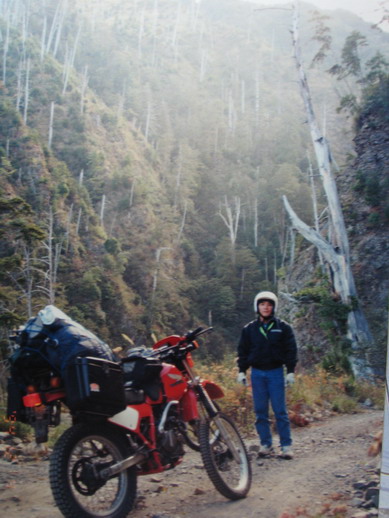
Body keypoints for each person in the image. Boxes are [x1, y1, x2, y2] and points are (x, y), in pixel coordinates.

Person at [236, 291, 298, 460]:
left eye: (269, 304)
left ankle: (286, 446)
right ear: (257, 307)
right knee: (260, 411)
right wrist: (241, 370)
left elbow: (290, 350)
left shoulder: (283, 327)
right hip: (257, 373)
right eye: (262, 304)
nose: (266, 307)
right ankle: (266, 444)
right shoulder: (249, 329)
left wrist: (291, 371)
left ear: (274, 307)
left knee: (280, 411)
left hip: (276, 373)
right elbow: (243, 351)